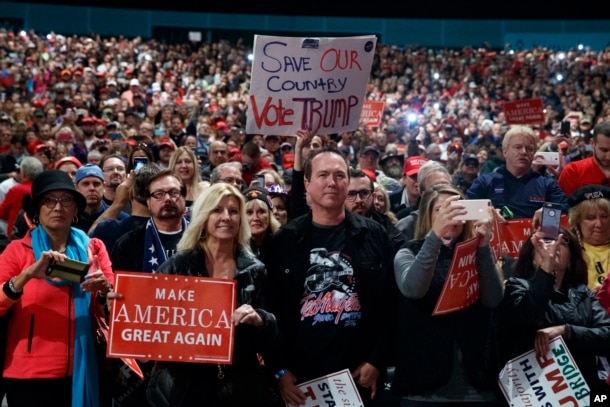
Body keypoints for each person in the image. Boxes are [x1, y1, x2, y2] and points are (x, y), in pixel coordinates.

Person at [264, 147, 396, 406]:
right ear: (307, 183)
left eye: (339, 175)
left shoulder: (375, 235)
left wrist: (377, 361)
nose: (332, 183)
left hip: (359, 375)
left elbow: (391, 304)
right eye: (323, 175)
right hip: (301, 378)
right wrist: (279, 370)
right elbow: (271, 310)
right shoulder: (283, 241)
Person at [144, 183, 280, 407]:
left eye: (234, 211)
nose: (226, 217)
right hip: (181, 388)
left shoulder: (256, 270)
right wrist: (121, 303)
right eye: (217, 210)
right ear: (204, 217)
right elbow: (147, 321)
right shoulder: (177, 266)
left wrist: (260, 319)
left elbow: (274, 337)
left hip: (239, 389)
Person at [0, 169, 114, 406]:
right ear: (36, 209)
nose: (58, 207)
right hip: (28, 374)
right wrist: (26, 275)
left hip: (85, 369)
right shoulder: (17, 251)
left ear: (75, 209)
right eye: (49, 200)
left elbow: (114, 305)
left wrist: (104, 291)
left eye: (66, 200)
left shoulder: (93, 248)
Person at [392, 184, 504, 405]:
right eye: (441, 210)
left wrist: (482, 247)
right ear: (428, 215)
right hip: (423, 388)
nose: (450, 216)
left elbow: (493, 298)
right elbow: (413, 289)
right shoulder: (407, 252)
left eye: (457, 210)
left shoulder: (477, 253)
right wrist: (434, 237)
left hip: (474, 385)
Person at [108, 169, 189, 405]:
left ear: (184, 197)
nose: (168, 199)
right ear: (148, 200)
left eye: (174, 193)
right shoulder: (128, 244)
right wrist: (110, 302)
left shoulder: (205, 240)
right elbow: (114, 297)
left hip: (193, 351)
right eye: (159, 194)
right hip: (144, 356)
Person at [499, 226, 610, 395]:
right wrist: (546, 269)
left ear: (571, 259)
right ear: (532, 257)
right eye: (545, 241)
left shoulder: (584, 294)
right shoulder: (516, 287)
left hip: (584, 394)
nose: (553, 246)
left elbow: (607, 336)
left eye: (562, 242)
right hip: (531, 393)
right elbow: (529, 316)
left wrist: (567, 331)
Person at [467, 125, 568, 219]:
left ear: (534, 154)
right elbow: (466, 211)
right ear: (505, 152)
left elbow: (567, 210)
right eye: (518, 147)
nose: (524, 152)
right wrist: (487, 213)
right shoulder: (485, 182)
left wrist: (549, 211)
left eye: (529, 148)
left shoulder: (547, 185)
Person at [566, 184, 610, 290]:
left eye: (604, 216)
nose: (599, 224)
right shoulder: (568, 251)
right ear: (577, 221)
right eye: (590, 218)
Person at [558, 121, 610, 198]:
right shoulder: (573, 171)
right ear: (592, 143)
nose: (608, 157)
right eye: (604, 150)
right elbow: (562, 206)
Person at [75, 163, 129, 233]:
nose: (91, 188)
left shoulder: (121, 219)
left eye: (96, 184)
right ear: (77, 188)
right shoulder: (69, 219)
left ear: (104, 186)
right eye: (85, 184)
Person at [0, 156, 43, 238]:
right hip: (40, 236)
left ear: (23, 174)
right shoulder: (44, 189)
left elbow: (2, 213)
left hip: (17, 236)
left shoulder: (17, 190)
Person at [242, 186, 280, 261]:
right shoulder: (234, 248)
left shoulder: (282, 245)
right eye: (249, 212)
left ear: (270, 215)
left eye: (261, 211)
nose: (255, 218)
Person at [169, 146, 206, 211]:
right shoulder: (166, 191)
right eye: (179, 162)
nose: (184, 166)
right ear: (173, 166)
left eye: (188, 161)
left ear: (194, 165)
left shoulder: (205, 189)